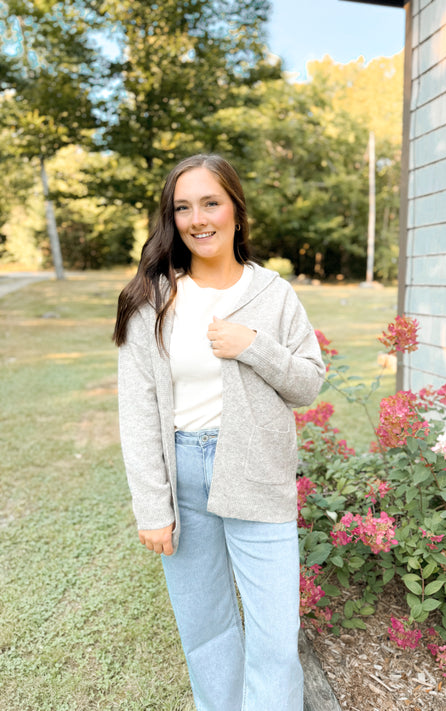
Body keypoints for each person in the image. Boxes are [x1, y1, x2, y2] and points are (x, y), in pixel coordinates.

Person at [113, 153, 325, 711]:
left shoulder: (273, 293)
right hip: (183, 474)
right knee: (204, 630)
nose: (198, 218)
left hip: (257, 472)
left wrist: (253, 345)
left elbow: (307, 383)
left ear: (235, 209)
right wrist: (152, 506)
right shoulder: (151, 300)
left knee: (276, 638)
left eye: (211, 202)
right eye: (183, 207)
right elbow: (136, 409)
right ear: (171, 218)